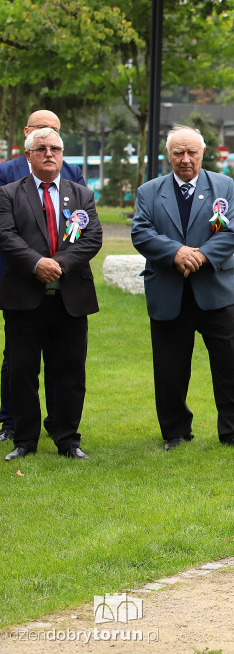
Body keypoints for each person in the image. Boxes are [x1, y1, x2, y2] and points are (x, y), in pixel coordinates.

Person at [131, 125, 234, 451]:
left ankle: (233, 432)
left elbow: (232, 231)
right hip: (169, 292)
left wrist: (200, 255)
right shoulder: (149, 191)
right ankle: (175, 432)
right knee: (170, 367)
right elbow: (141, 232)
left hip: (216, 290)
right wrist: (176, 253)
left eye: (191, 152)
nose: (185, 160)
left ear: (202, 153)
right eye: (178, 153)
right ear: (168, 155)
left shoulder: (222, 185)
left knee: (228, 366)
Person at [0, 127, 101, 461]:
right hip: (24, 300)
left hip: (70, 300)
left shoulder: (81, 195)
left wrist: (58, 264)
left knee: (71, 373)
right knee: (23, 373)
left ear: (62, 154)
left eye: (55, 148)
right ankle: (25, 441)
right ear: (28, 155)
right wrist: (36, 263)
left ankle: (68, 440)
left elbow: (92, 238)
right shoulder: (9, 194)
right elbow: (6, 236)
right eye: (41, 148)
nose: (49, 154)